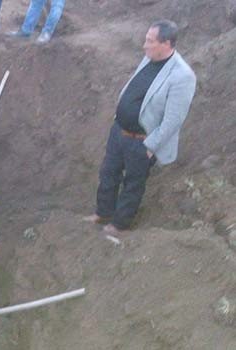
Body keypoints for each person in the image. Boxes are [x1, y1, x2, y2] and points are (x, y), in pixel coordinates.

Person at [83, 20, 196, 234]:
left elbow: (174, 119)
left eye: (150, 41)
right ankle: (103, 212)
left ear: (167, 44)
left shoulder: (182, 76)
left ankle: (120, 224)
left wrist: (150, 145)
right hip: (119, 131)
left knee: (133, 183)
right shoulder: (148, 58)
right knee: (108, 172)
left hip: (141, 140)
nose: (144, 45)